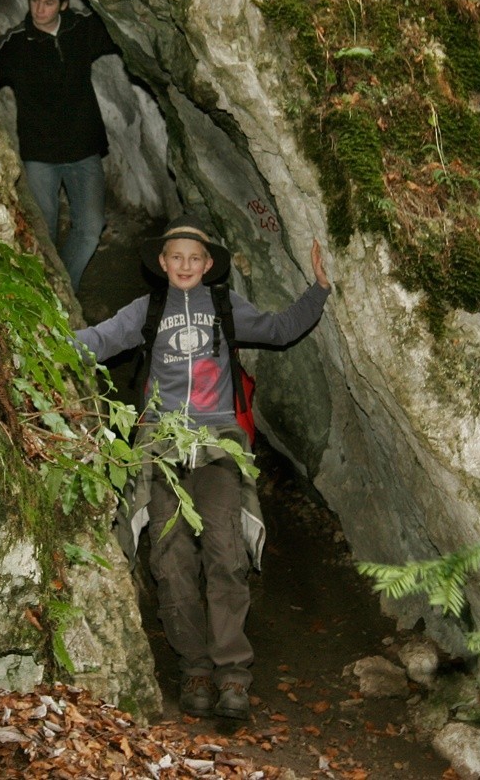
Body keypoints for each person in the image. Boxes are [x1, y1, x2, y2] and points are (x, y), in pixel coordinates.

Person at [74, 215, 331, 720]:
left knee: (225, 553)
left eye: (195, 258)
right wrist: (41, 335)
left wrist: (318, 290)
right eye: (177, 257)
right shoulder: (145, 310)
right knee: (170, 562)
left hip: (217, 443)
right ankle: (194, 669)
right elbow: (99, 341)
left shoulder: (223, 305)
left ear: (208, 265)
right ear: (163, 263)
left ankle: (233, 674)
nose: (186, 265)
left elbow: (279, 330)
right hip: (162, 446)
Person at [0, 0, 119, 291]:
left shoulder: (82, 30)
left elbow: (123, 31)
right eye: (34, 0)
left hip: (84, 148)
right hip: (40, 153)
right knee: (42, 233)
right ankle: (51, 294)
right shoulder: (16, 43)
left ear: (63, 4)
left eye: (48, 2)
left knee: (90, 228)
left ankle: (64, 290)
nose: (39, 8)